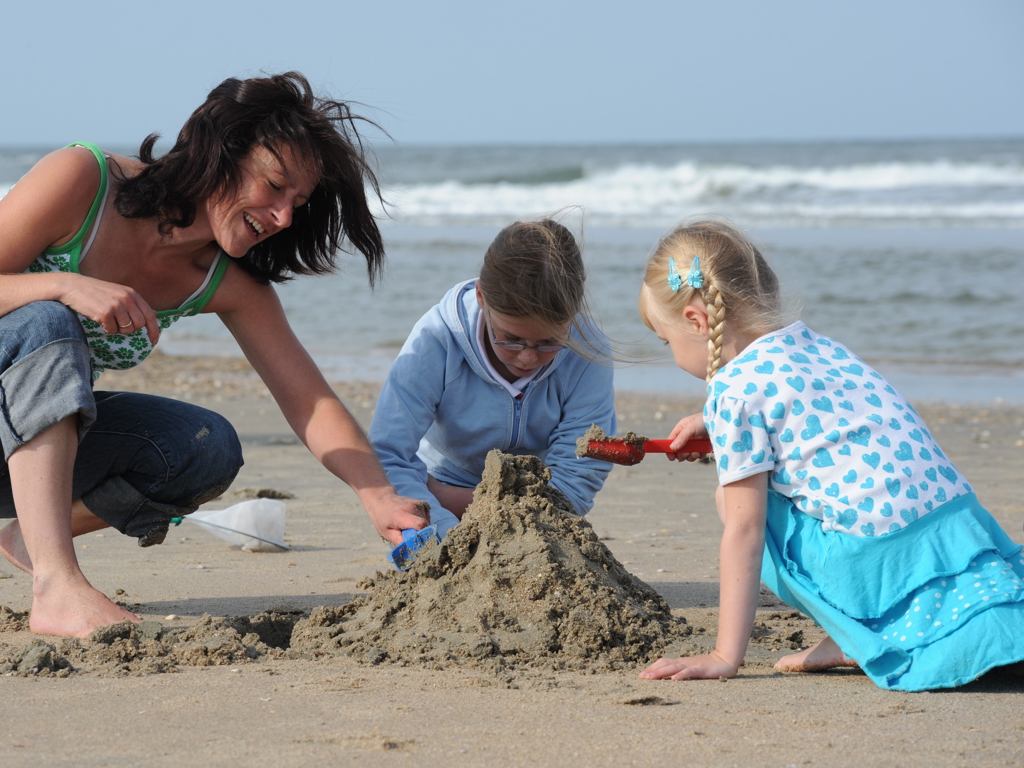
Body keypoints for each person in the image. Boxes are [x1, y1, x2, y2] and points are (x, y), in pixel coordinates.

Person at [0, 72, 426, 638]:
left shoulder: (225, 282)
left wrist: (378, 497)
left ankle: (32, 533)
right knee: (48, 321)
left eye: (297, 202)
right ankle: (56, 586)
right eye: (275, 186)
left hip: (19, 444)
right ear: (220, 150)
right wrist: (61, 286)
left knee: (203, 449)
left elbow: (309, 399)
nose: (284, 217)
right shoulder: (84, 181)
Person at [635, 219, 1024, 691]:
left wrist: (723, 655)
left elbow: (746, 529)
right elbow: (827, 435)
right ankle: (855, 633)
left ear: (696, 321)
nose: (671, 352)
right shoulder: (820, 347)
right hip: (955, 527)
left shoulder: (732, 392)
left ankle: (860, 630)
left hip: (879, 558)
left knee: (731, 500)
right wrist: (713, 426)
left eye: (666, 340)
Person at [369, 218, 616, 543]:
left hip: (536, 495)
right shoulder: (438, 339)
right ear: (482, 297)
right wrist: (444, 531)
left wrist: (526, 527)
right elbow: (388, 453)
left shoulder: (588, 350)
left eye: (548, 342)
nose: (528, 357)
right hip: (435, 487)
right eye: (511, 339)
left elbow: (579, 468)